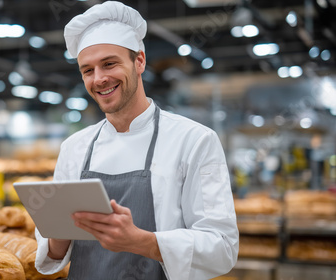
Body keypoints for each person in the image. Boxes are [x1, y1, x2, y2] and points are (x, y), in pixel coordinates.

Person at [34, 1, 239, 279]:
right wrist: (57, 233)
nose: (99, 79)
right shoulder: (75, 147)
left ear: (139, 61)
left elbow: (222, 247)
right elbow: (54, 253)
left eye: (109, 64)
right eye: (87, 70)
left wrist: (142, 242)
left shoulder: (194, 141)